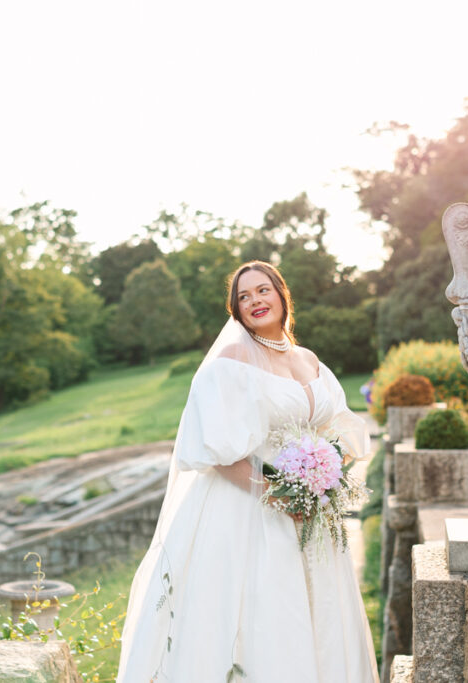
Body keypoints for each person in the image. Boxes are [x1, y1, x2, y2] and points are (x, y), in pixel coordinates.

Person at [117, 261, 379, 683]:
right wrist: (279, 496)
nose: (255, 300)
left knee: (321, 614)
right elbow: (218, 450)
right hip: (248, 506)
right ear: (236, 311)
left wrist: (324, 473)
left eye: (262, 290)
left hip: (314, 513)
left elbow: (340, 430)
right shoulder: (231, 359)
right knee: (264, 616)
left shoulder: (309, 359)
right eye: (244, 296)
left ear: (281, 294)